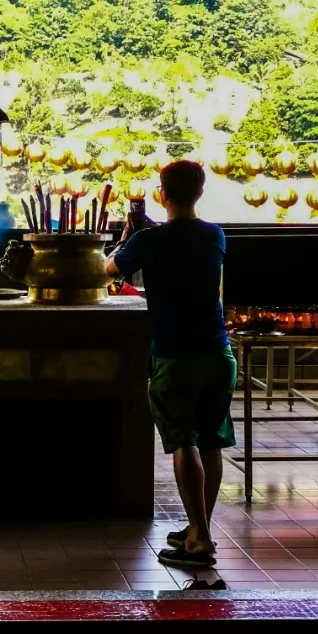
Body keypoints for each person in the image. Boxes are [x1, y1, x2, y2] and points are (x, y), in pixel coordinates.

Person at [106, 160, 235, 565]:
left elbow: (105, 271)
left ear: (162, 194)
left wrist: (125, 243)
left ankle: (199, 541)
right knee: (210, 440)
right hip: (218, 353)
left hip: (175, 356)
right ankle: (200, 527)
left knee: (184, 442)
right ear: (199, 193)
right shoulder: (216, 235)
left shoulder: (148, 241)